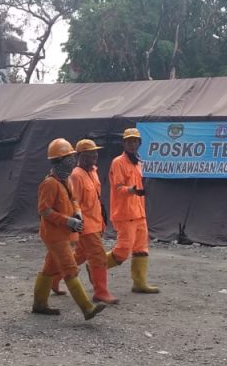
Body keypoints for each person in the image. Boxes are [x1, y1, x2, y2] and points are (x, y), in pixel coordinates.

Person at [32, 138, 106, 320]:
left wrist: (78, 213)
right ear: (60, 160)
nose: (73, 160)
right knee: (70, 269)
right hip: (54, 235)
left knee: (49, 269)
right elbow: (44, 210)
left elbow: (73, 200)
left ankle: (39, 304)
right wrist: (67, 220)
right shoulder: (50, 184)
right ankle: (87, 308)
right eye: (69, 157)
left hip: (63, 233)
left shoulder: (65, 180)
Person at [107, 127, 159, 293]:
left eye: (135, 141)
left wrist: (140, 191)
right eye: (129, 141)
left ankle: (139, 283)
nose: (132, 144)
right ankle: (96, 266)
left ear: (139, 143)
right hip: (125, 214)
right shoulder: (118, 162)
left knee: (141, 249)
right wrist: (131, 190)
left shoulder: (138, 162)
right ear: (124, 143)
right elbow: (118, 187)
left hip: (139, 213)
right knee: (122, 251)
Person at [69, 138, 119, 305]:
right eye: (90, 154)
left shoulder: (93, 171)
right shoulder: (76, 175)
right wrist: (76, 226)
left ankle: (54, 278)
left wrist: (101, 222)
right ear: (80, 156)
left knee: (80, 255)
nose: (95, 156)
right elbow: (73, 202)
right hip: (86, 225)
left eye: (95, 152)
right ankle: (101, 292)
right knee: (98, 256)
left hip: (96, 222)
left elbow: (96, 199)